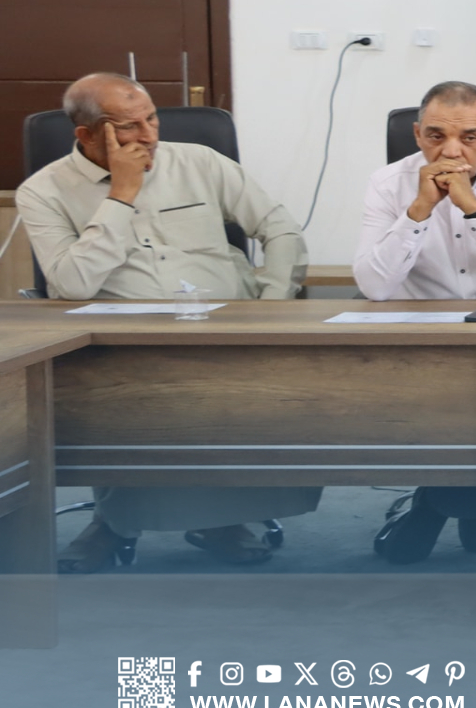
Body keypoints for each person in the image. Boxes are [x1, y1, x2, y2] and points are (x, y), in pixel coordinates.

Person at [16, 72, 317, 572]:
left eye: (152, 119)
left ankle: (224, 518)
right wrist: (121, 195)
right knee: (130, 399)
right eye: (128, 126)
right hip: (123, 341)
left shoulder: (200, 162)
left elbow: (280, 229)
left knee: (266, 394)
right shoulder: (43, 192)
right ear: (87, 134)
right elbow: (72, 284)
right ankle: (116, 521)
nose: (149, 135)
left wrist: (272, 304)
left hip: (227, 327)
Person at [352, 81, 476, 564]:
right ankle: (472, 501)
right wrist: (419, 210)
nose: (450, 151)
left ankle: (438, 504)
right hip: (421, 339)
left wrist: (474, 209)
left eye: (468, 137)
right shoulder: (388, 183)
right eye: (436, 136)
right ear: (417, 134)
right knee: (445, 388)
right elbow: (374, 286)